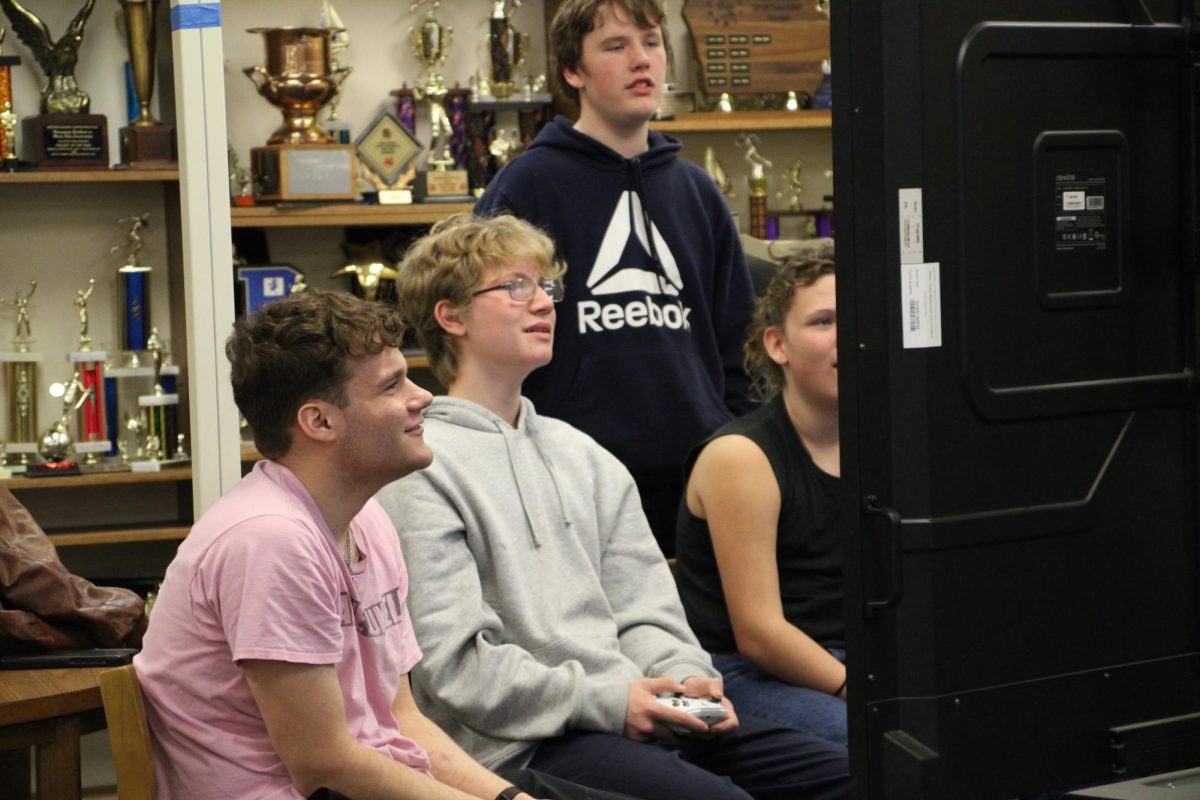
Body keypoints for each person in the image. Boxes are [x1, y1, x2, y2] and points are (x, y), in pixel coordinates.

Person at [378, 213, 852, 800]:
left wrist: (686, 681)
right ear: (451, 317)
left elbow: (647, 611)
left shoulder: (585, 456)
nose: (545, 305)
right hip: (522, 743)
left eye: (548, 288)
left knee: (863, 773)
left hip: (640, 712)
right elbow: (455, 668)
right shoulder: (420, 467)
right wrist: (609, 700)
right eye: (516, 287)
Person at [135, 289, 633, 800]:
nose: (423, 397)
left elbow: (401, 720)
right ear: (320, 422)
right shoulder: (269, 540)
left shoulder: (367, 518)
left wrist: (509, 798)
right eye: (392, 385)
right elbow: (325, 766)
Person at [474, 0, 756, 555]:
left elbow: (738, 350)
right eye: (615, 46)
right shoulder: (527, 188)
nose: (641, 60)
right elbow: (489, 343)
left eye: (651, 43)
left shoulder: (698, 193)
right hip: (570, 485)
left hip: (699, 484)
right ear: (572, 72)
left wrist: (735, 444)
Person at [674, 260, 846, 745]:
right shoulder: (742, 457)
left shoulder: (888, 442)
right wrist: (862, 691)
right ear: (777, 345)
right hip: (743, 675)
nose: (846, 337)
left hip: (855, 658)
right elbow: (760, 634)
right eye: (822, 321)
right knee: (881, 744)